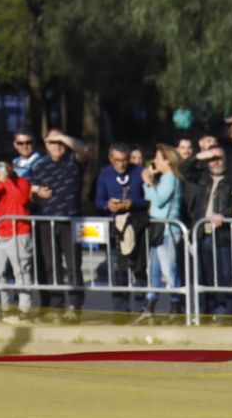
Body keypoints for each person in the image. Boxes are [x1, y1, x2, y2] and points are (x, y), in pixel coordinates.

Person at [28, 130, 84, 319]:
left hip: (71, 220)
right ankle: (55, 306)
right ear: (45, 144)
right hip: (46, 221)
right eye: (52, 142)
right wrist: (36, 192)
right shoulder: (39, 165)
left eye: (60, 142)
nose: (57, 145)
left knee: (74, 265)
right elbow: (26, 190)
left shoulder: (72, 161)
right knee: (51, 264)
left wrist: (62, 136)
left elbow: (85, 149)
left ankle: (74, 306)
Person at [94, 142, 148, 315]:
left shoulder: (139, 172)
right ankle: (120, 308)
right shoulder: (104, 174)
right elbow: (98, 200)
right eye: (117, 160)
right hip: (116, 227)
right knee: (119, 268)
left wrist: (133, 203)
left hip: (137, 224)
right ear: (111, 159)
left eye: (124, 160)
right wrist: (107, 205)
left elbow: (148, 199)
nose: (121, 164)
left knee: (139, 268)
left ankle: (141, 306)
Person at [187, 147, 232, 317]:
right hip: (203, 233)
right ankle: (207, 310)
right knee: (206, 274)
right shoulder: (201, 179)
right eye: (213, 158)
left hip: (223, 234)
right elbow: (182, 170)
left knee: (226, 274)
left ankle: (229, 310)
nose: (216, 162)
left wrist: (224, 215)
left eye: (219, 158)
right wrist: (200, 156)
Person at [0, 159, 35, 320]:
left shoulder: (23, 182)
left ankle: (24, 310)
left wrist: (7, 181)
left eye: (5, 167)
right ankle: (3, 307)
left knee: (21, 271)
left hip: (19, 232)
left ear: (11, 168)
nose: (2, 170)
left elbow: (22, 200)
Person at [140, 144, 184, 322]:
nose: (154, 161)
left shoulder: (170, 179)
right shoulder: (163, 178)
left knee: (168, 270)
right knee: (154, 269)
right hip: (158, 228)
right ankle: (150, 304)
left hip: (168, 230)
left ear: (167, 160)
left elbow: (158, 200)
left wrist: (148, 182)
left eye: (158, 158)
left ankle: (175, 306)